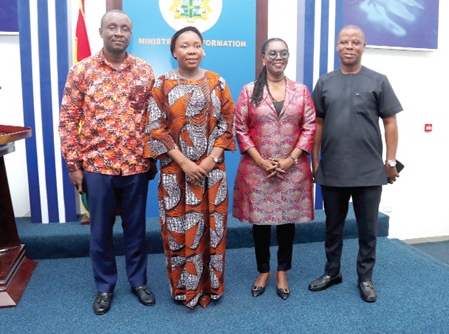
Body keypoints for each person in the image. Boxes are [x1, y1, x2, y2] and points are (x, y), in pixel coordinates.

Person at [59, 10, 157, 315]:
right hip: (97, 166)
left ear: (131, 34)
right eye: (112, 27)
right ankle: (104, 286)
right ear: (101, 32)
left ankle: (138, 281)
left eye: (125, 28)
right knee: (100, 231)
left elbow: (153, 120)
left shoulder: (144, 71)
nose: (118, 32)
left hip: (135, 166)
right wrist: (74, 165)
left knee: (136, 229)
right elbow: (67, 119)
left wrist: (152, 156)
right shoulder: (82, 71)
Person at [308, 25, 402, 303]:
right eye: (343, 42)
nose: (349, 46)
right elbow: (318, 124)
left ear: (363, 46)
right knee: (332, 227)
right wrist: (315, 161)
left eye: (355, 42)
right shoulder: (325, 82)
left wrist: (390, 162)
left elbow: (390, 122)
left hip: (369, 171)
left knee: (368, 230)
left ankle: (365, 278)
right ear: (337, 46)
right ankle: (332, 272)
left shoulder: (379, 81)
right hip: (333, 169)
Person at [144, 26, 236, 309]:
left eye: (196, 45)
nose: (191, 50)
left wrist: (209, 161)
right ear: (174, 52)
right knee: (178, 230)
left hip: (212, 174)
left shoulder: (217, 82)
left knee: (213, 229)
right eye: (184, 46)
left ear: (203, 49)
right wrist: (184, 162)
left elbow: (227, 123)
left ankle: (212, 287)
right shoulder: (161, 84)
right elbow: (155, 129)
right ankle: (184, 289)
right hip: (176, 174)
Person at [233, 38, 316, 300]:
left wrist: (290, 160)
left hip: (293, 169)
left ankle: (282, 271)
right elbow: (240, 129)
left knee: (286, 222)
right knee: (261, 223)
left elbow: (310, 126)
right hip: (259, 170)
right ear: (263, 58)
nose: (278, 57)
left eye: (283, 53)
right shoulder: (249, 91)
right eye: (272, 53)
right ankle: (263, 270)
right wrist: (261, 161)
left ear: (288, 57)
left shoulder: (301, 91)